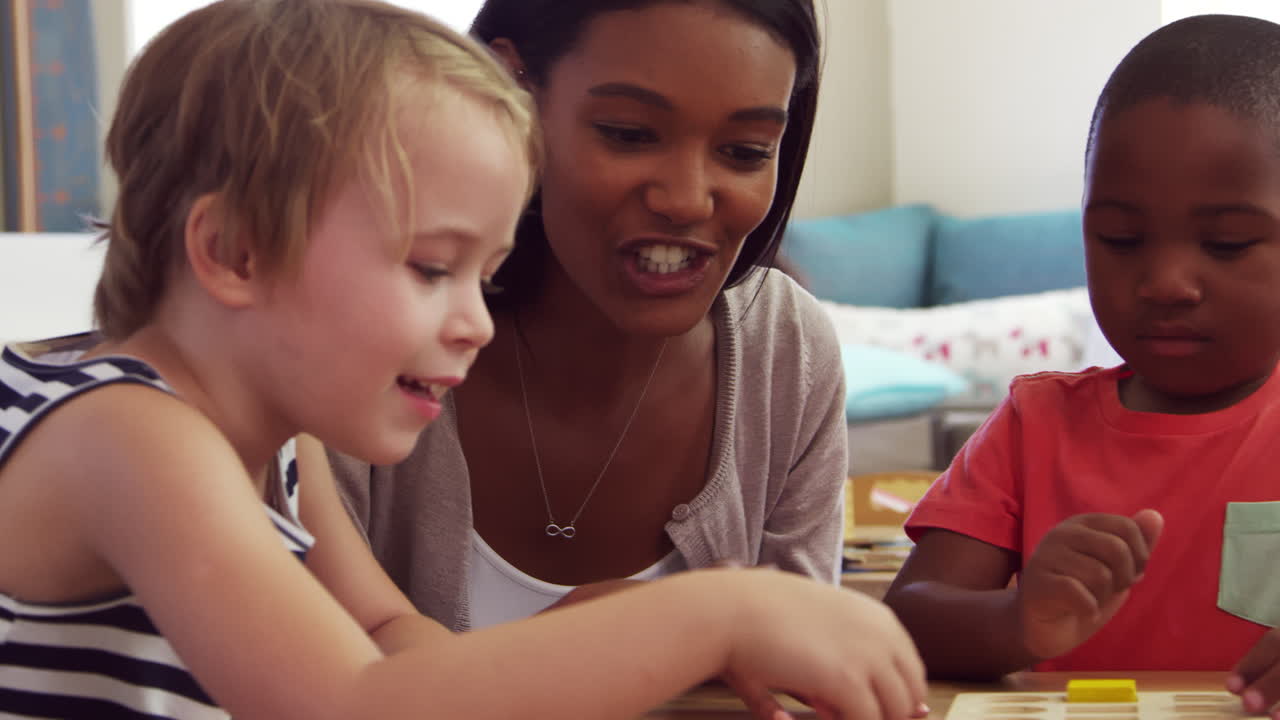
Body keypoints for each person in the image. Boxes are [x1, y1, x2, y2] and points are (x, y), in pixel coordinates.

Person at [0, 2, 930, 719]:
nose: (477, 323)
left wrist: (585, 641)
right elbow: (359, 705)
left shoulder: (280, 446)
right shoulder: (131, 437)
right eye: (432, 268)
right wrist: (720, 613)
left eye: (484, 276)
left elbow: (393, 646)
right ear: (235, 251)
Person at [331, 0, 850, 632]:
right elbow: (337, 669)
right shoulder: (354, 337)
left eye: (745, 151)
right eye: (629, 134)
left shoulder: (788, 352)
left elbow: (798, 656)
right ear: (513, 91)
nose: (687, 201)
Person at [883, 12, 1280, 712]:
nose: (1165, 283)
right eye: (1120, 238)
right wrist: (1015, 621)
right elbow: (906, 619)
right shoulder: (1034, 424)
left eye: (1226, 243)